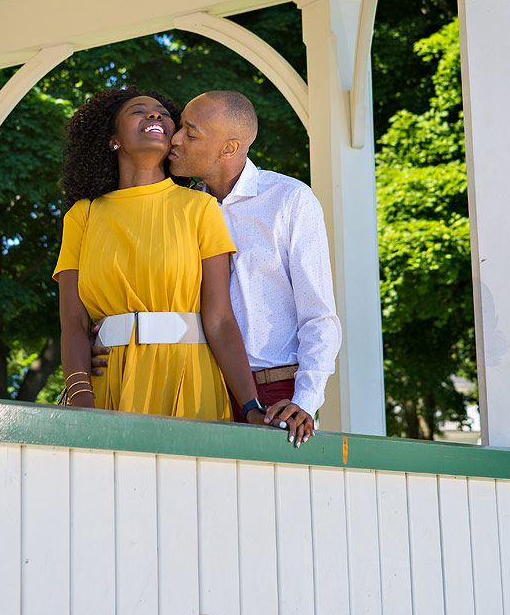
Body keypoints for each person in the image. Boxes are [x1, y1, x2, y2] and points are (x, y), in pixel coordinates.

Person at [54, 86, 269, 424]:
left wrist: (251, 405)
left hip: (190, 380)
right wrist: (81, 396)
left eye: (163, 114)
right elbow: (73, 321)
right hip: (109, 382)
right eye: (139, 110)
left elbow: (220, 319)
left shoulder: (201, 208)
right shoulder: (83, 216)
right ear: (113, 139)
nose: (155, 115)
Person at [167, 90, 341, 448]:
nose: (176, 139)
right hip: (198, 386)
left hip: (276, 396)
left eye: (191, 132)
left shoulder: (290, 200)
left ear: (229, 148)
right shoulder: (179, 209)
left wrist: (305, 401)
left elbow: (319, 315)